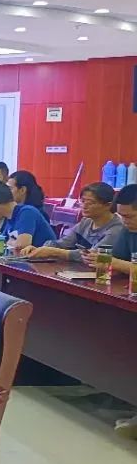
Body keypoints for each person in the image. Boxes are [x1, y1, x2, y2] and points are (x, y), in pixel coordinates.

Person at [101, 187, 137, 438]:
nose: (125, 221)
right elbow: (115, 262)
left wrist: (116, 264)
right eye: (122, 216)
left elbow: (116, 263)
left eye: (130, 216)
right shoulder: (127, 231)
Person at [25, 182, 123, 260]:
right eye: (83, 201)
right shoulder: (85, 222)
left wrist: (53, 252)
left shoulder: (116, 228)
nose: (84, 206)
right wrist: (40, 249)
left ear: (108, 205)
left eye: (90, 203)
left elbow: (93, 256)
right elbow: (63, 243)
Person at [0, 181, 55, 250]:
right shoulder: (8, 216)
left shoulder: (27, 212)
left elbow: (21, 245)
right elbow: (3, 244)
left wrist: (10, 243)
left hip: (45, 259)